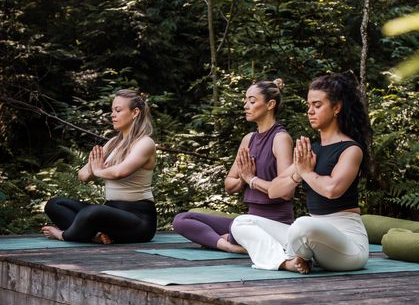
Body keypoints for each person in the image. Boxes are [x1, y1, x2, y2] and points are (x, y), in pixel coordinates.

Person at [230, 72, 371, 273]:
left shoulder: (350, 149)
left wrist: (305, 172)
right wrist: (297, 173)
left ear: (336, 108)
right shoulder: (309, 152)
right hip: (312, 237)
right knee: (242, 222)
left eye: (317, 105)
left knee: (302, 225)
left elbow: (332, 189)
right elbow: (275, 190)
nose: (310, 111)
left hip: (348, 247)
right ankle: (287, 262)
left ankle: (295, 255)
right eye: (309, 106)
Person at [172, 79, 294, 253]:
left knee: (235, 230)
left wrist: (251, 179)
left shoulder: (280, 139)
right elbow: (229, 185)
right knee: (182, 219)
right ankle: (230, 246)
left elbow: (286, 191)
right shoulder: (248, 139)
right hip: (248, 220)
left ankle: (237, 240)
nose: (246, 105)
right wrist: (244, 180)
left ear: (270, 104)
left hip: (274, 223)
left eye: (252, 101)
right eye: (245, 100)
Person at [42, 89, 157, 244]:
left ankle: (64, 235)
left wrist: (98, 170)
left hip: (138, 220)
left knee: (94, 211)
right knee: (55, 204)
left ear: (135, 112)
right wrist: (94, 168)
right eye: (112, 110)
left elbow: (119, 172)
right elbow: (82, 175)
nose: (112, 115)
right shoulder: (112, 143)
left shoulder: (145, 143)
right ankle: (95, 236)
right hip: (111, 213)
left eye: (118, 110)